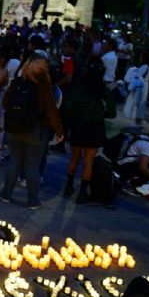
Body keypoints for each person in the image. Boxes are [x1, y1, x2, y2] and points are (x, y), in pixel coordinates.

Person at [0, 55, 64, 209]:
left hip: (14, 129)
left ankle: (6, 194)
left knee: (15, 162)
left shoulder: (17, 83)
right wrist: (59, 131)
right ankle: (32, 201)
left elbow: (5, 102)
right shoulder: (44, 87)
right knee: (32, 166)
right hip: (36, 131)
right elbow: (52, 111)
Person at [62, 59, 116, 203]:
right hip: (95, 127)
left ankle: (68, 186)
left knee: (74, 158)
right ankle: (83, 191)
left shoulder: (78, 90)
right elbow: (112, 113)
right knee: (88, 161)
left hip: (79, 125)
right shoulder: (104, 92)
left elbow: (67, 109)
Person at [123, 51, 149, 125]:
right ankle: (137, 117)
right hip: (145, 85)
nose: (140, 58)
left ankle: (135, 116)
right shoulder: (148, 67)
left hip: (140, 85)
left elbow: (137, 77)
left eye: (141, 57)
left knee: (136, 101)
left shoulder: (144, 67)